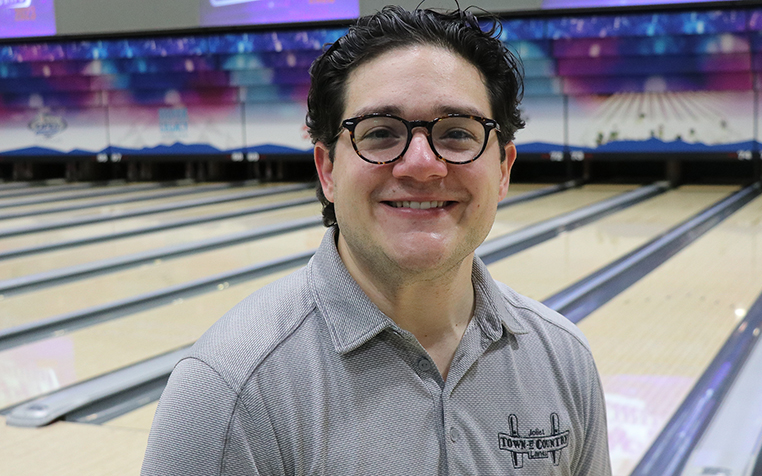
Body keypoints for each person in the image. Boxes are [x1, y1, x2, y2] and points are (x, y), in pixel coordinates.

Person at [141, 6, 611, 475]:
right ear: (327, 171)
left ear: (504, 169)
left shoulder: (563, 358)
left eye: (458, 133)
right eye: (381, 133)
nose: (423, 163)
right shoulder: (228, 391)